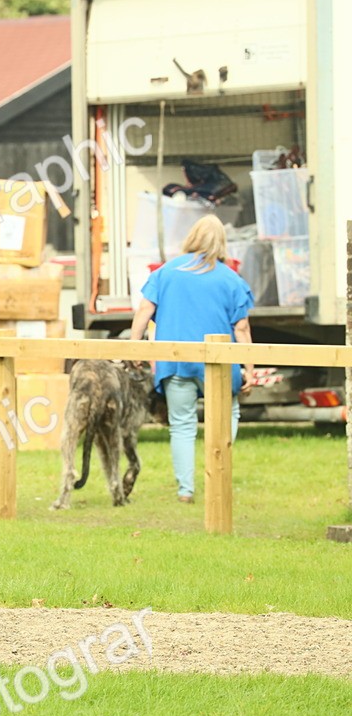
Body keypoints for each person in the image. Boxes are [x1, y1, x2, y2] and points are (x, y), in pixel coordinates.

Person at [130, 214, 254, 504]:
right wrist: (250, 368)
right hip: (220, 364)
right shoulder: (231, 278)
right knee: (227, 416)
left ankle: (186, 490)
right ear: (221, 242)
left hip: (175, 363)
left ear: (192, 238)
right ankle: (217, 470)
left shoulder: (165, 272)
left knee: (182, 424)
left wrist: (135, 348)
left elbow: (144, 310)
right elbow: (242, 327)